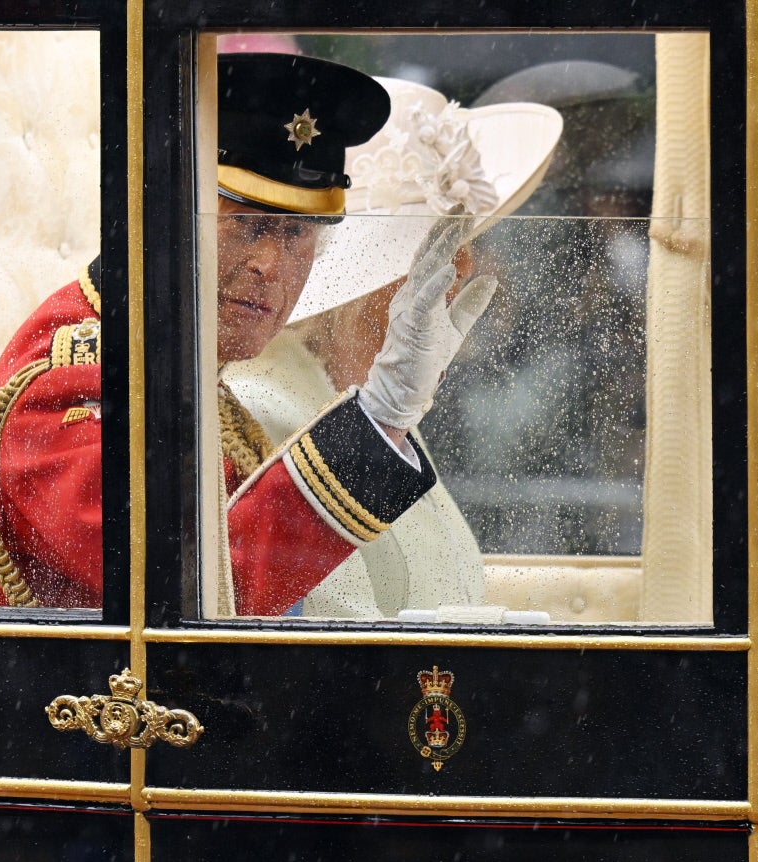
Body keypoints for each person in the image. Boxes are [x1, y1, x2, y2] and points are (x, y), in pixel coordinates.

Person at [0, 53, 500, 616]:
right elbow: (202, 586)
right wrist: (382, 417)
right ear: (165, 216)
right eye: (247, 225)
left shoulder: (181, 357)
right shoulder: (68, 380)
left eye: (298, 236)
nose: (270, 264)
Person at [223, 75, 562, 618]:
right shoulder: (265, 409)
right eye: (441, 249)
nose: (469, 269)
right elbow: (334, 643)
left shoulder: (371, 398)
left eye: (467, 243)